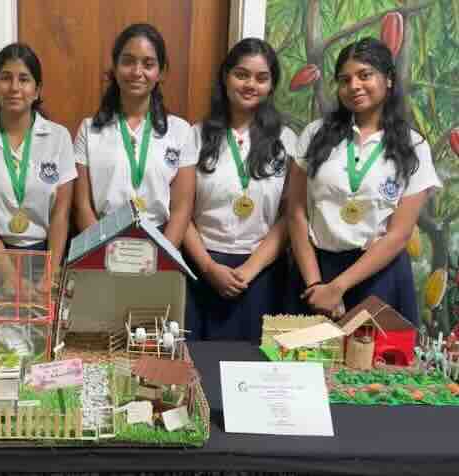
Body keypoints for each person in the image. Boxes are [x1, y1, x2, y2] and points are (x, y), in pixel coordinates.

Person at [286, 37, 442, 323]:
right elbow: (296, 212)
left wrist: (338, 287)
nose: (354, 86)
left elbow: (399, 234)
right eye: (345, 80)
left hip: (380, 276)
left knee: (377, 354)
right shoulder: (315, 134)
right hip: (317, 271)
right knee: (310, 352)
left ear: (389, 79)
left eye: (365, 75)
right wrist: (316, 284)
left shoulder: (413, 145)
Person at [183, 38, 296, 342]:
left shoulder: (286, 140)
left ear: (271, 85)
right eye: (242, 75)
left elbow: (289, 217)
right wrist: (209, 267)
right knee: (197, 362)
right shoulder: (196, 135)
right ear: (226, 76)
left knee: (254, 363)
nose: (250, 85)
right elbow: (181, 213)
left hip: (261, 273)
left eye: (261, 78)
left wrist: (249, 269)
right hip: (200, 268)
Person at [0, 43, 75, 290]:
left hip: (46, 257)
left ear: (37, 90)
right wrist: (10, 276)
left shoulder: (59, 137)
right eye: (5, 78)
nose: (14, 88)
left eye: (24, 79)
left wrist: (50, 274)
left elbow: (61, 214)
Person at [73, 23, 194, 247]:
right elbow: (82, 207)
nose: (137, 72)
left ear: (161, 72)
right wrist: (106, 253)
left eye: (148, 64)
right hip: (103, 240)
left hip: (161, 241)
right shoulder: (89, 130)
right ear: (115, 67)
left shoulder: (181, 131)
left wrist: (162, 256)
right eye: (128, 61)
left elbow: (181, 209)